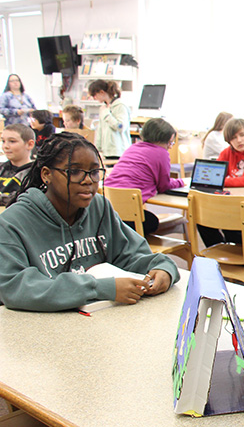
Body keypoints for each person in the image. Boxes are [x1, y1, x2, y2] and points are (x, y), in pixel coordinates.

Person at [0, 132, 178, 311]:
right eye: (74, 171)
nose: (87, 180)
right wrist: (99, 288)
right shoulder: (12, 222)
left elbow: (131, 254)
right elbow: (14, 287)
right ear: (47, 174)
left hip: (102, 323)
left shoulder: (99, 207)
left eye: (94, 172)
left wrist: (162, 268)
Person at [196, 118, 244, 247]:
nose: (239, 140)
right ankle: (221, 250)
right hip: (234, 201)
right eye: (234, 138)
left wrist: (224, 181)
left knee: (231, 223)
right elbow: (216, 177)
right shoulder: (227, 152)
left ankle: (237, 255)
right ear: (229, 141)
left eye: (242, 135)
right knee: (202, 219)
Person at [103, 118, 185, 235]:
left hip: (109, 211)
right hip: (129, 218)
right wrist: (181, 182)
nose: (170, 146)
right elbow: (164, 186)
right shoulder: (161, 153)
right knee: (152, 222)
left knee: (145, 217)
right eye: (170, 142)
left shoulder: (132, 148)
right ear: (162, 139)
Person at [88, 79, 131, 158]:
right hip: (106, 152)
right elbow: (100, 130)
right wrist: (97, 149)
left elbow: (121, 127)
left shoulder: (120, 106)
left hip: (119, 151)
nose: (94, 98)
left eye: (94, 95)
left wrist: (107, 115)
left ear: (102, 92)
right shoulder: (103, 108)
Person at [0, 124, 35, 206]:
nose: (5, 146)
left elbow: (19, 199)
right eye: (3, 141)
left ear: (30, 144)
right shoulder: (2, 168)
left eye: (12, 141)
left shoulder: (34, 174)